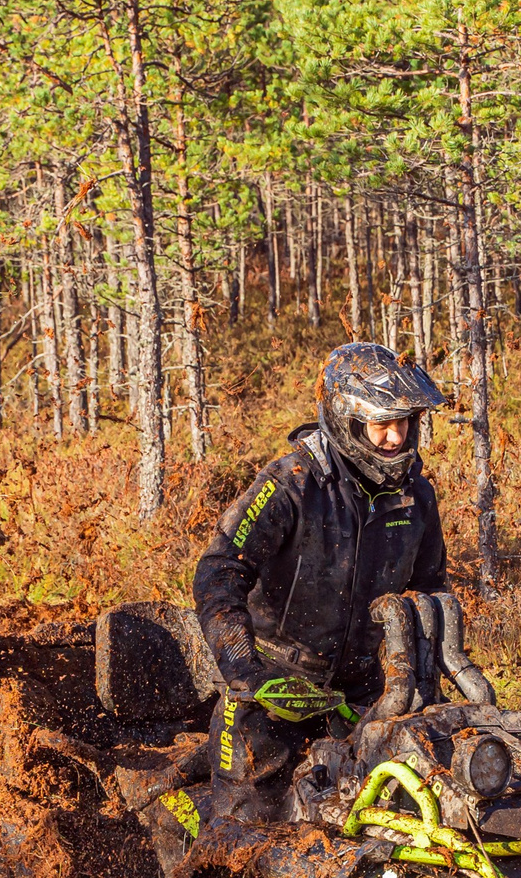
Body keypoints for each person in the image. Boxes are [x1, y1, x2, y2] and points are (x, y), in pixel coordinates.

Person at [192, 343, 449, 818]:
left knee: (405, 817)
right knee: (245, 836)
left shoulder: (416, 496)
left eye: (404, 422)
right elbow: (219, 570)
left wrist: (431, 670)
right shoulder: (290, 483)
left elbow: (432, 589)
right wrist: (243, 668)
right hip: (272, 694)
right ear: (347, 420)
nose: (395, 437)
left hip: (369, 692)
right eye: (381, 424)